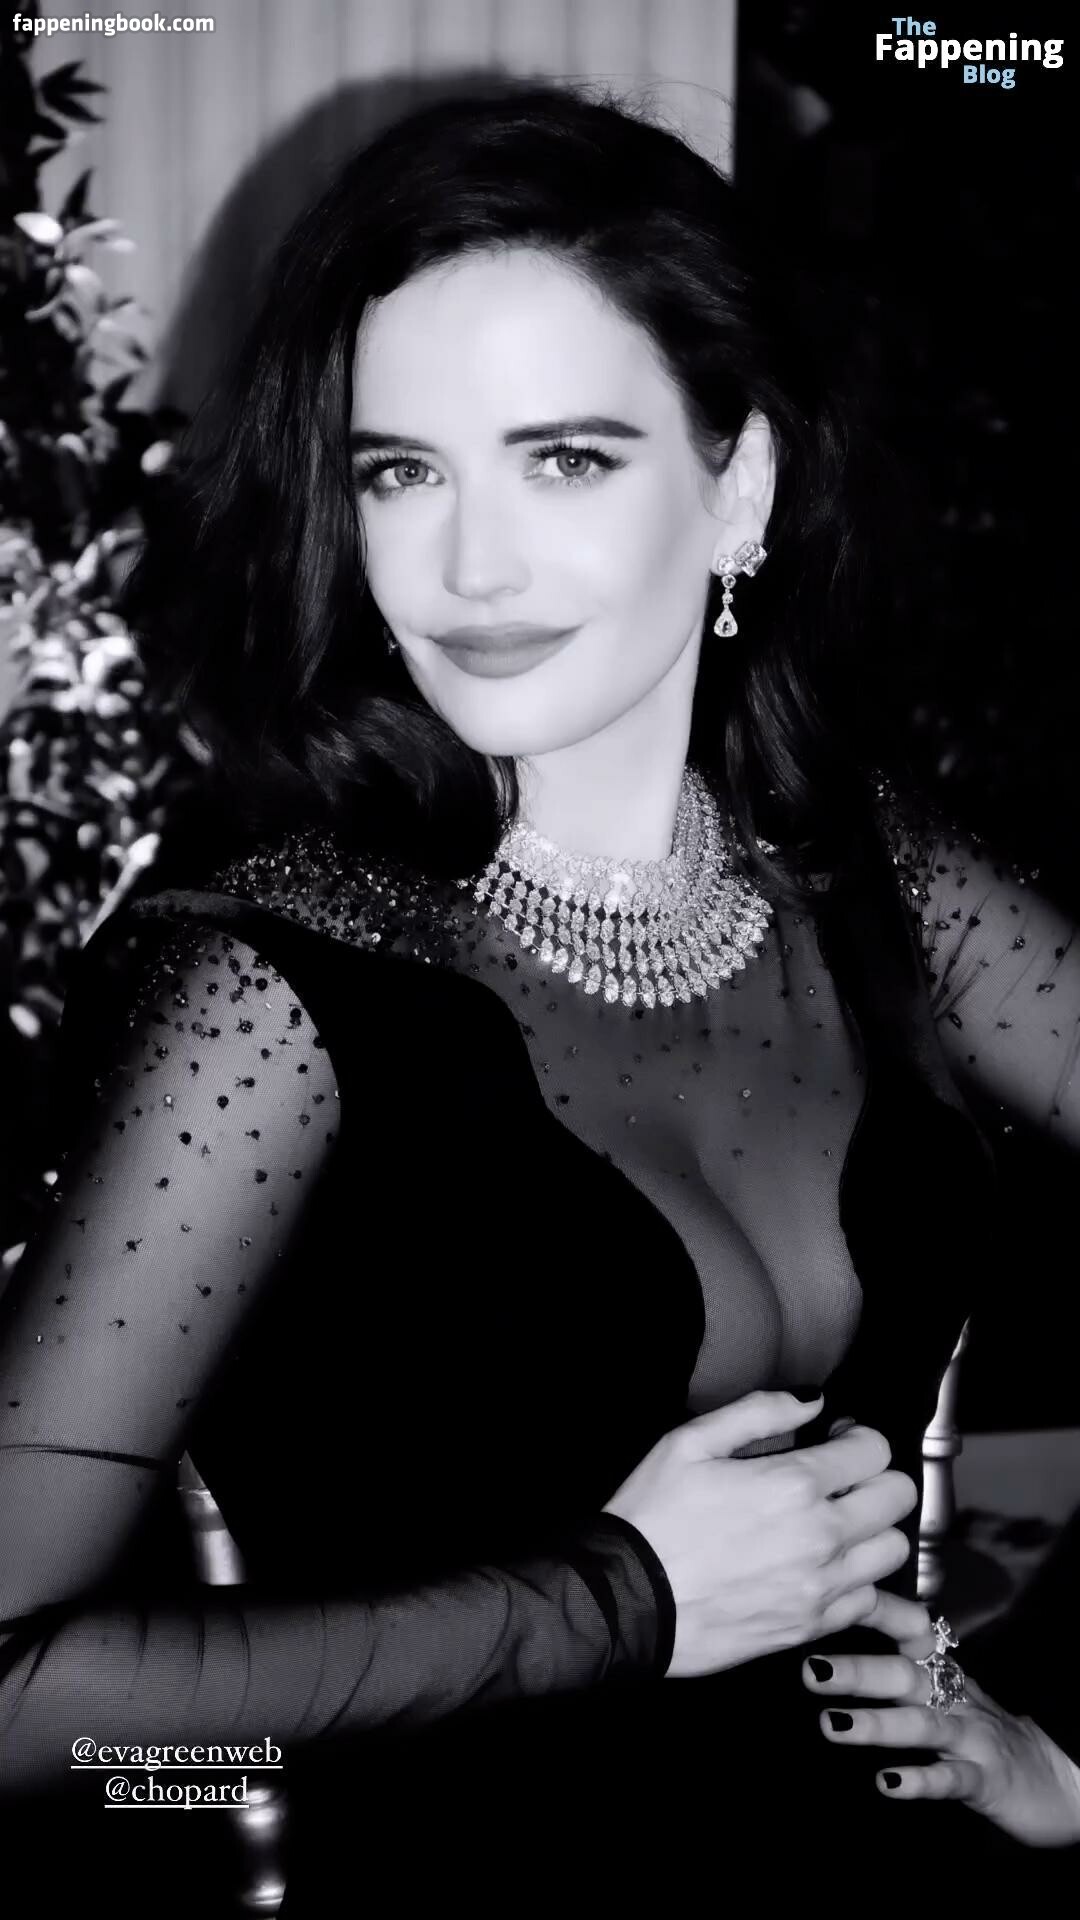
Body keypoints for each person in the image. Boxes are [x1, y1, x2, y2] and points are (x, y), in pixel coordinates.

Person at [1, 80, 1078, 1911]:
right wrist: (618, 1602)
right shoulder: (263, 996)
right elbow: (23, 1705)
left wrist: (1056, 1754)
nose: (470, 566)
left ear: (739, 488)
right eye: (401, 472)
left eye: (565, 460)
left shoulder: (877, 881)